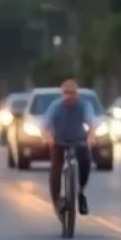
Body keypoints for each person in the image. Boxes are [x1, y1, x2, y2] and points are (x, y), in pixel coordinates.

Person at [42, 80, 93, 217]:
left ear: (77, 94)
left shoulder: (84, 106)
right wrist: (49, 137)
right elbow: (46, 124)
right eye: (67, 93)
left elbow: (90, 123)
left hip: (78, 140)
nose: (70, 96)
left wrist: (90, 137)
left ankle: (81, 192)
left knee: (86, 161)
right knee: (56, 167)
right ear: (62, 94)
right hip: (59, 140)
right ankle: (57, 200)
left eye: (73, 93)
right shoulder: (56, 107)